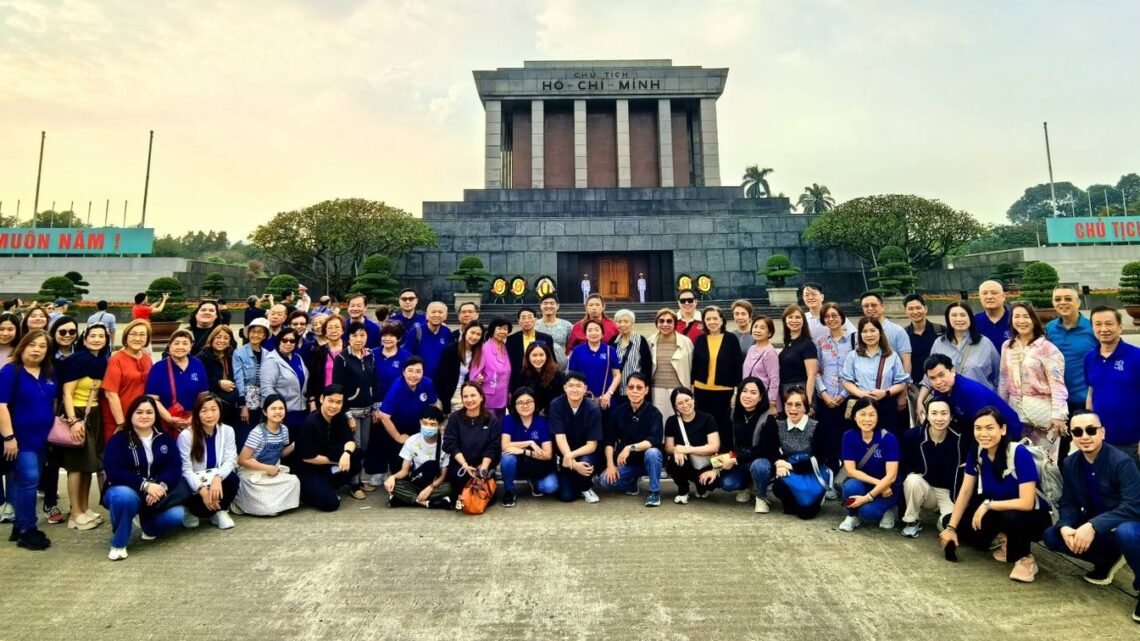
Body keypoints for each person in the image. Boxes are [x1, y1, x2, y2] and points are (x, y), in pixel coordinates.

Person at [1042, 410, 1140, 622]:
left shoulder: (1122, 462)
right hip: (1099, 528)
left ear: (1102, 432)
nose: (1085, 436)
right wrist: (1065, 525)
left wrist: (1093, 525)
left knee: (1128, 532)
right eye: (1078, 431)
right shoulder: (1070, 463)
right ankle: (1107, 560)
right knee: (1053, 535)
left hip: (1125, 523)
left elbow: (1134, 506)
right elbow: (1068, 501)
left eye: (1091, 430)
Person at [939, 407, 1053, 582]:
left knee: (1012, 517)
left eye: (989, 428)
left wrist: (987, 505)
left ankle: (1025, 559)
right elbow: (966, 490)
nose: (983, 433)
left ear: (1003, 429)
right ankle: (1003, 537)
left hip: (1031, 517)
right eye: (978, 428)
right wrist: (951, 529)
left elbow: (1027, 503)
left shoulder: (1018, 453)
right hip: (999, 510)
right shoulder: (977, 452)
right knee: (952, 522)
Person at [102, 396, 189, 561]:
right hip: (128, 490)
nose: (144, 416)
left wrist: (161, 486)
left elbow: (174, 468)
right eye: (139, 412)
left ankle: (148, 527)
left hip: (155, 495)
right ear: (131, 415)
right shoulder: (119, 440)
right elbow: (114, 470)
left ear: (156, 415)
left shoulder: (164, 439)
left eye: (149, 412)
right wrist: (145, 485)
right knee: (123, 497)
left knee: (177, 515)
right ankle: (119, 544)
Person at [0, 331, 58, 550]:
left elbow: (52, 402)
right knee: (29, 481)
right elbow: (1, 405)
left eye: (42, 346)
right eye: (32, 345)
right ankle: (27, 529)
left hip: (42, 439)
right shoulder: (10, 372)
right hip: (19, 439)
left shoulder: (50, 373)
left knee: (28, 481)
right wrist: (8, 437)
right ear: (22, 347)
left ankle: (19, 525)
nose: (37, 350)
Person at [57, 323, 111, 531]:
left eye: (102, 336)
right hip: (78, 414)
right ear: (85, 338)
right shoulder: (76, 361)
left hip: (94, 415)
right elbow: (67, 393)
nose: (97, 339)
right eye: (93, 335)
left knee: (89, 465)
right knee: (76, 466)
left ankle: (85, 508)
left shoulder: (101, 361)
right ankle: (75, 513)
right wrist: (73, 421)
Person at [916, 301, 1001, 421]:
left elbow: (999, 377)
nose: (959, 319)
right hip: (948, 407)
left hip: (980, 406)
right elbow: (929, 376)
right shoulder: (939, 343)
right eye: (954, 315)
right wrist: (920, 400)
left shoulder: (985, 343)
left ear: (970, 318)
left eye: (963, 315)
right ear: (948, 319)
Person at [754, 387, 830, 518]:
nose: (793, 409)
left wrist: (791, 466)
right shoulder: (777, 424)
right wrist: (778, 463)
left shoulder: (817, 426)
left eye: (798, 405)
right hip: (789, 471)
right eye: (789, 404)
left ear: (805, 408)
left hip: (811, 470)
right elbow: (766, 449)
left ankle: (815, 498)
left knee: (806, 514)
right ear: (784, 405)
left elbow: (820, 457)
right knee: (780, 490)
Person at [998, 302, 1068, 446]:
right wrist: (1001, 409)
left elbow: (1057, 385)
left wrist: (1059, 415)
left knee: (1042, 463)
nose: (1021, 321)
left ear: (1034, 320)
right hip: (1014, 412)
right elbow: (1004, 379)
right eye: (1017, 316)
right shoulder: (1007, 346)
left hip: (1042, 413)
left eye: (1026, 316)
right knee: (1017, 459)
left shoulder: (1047, 348)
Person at [900, 399, 970, 538]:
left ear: (951, 416)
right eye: (934, 413)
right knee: (912, 480)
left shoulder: (960, 439)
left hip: (949, 493)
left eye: (944, 413)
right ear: (926, 415)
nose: (939, 418)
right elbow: (905, 465)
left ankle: (941, 520)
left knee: (950, 526)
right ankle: (912, 520)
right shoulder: (914, 436)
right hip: (925, 488)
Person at [292, 385, 364, 511]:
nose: (334, 406)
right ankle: (307, 492)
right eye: (330, 401)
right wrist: (338, 461)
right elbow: (308, 458)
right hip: (310, 469)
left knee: (357, 456)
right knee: (331, 504)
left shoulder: (339, 417)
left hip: (327, 464)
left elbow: (350, 441)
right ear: (322, 399)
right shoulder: (311, 422)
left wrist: (346, 454)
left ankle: (327, 486)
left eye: (338, 402)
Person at [597, 374, 664, 507]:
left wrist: (629, 448)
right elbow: (609, 441)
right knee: (604, 482)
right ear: (626, 390)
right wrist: (610, 465)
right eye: (631, 387)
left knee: (653, 453)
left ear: (646, 390)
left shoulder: (654, 413)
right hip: (628, 463)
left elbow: (653, 440)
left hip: (648, 462)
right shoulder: (618, 412)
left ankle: (654, 492)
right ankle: (632, 480)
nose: (634, 391)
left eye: (639, 388)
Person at [1085, 307, 1140, 466]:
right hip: (1102, 441)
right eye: (1098, 324)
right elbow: (1091, 393)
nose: (1103, 329)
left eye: (1109, 324)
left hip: (1132, 442)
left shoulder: (1136, 356)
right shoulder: (1089, 358)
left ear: (1120, 327)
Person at [838, 398, 901, 532]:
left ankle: (889, 509)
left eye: (872, 414)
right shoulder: (848, 436)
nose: (867, 419)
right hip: (870, 483)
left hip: (889, 489)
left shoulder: (888, 438)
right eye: (862, 414)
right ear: (854, 416)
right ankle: (852, 516)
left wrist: (868, 497)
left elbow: (891, 476)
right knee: (850, 486)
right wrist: (879, 484)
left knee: (867, 512)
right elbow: (851, 471)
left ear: (878, 416)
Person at [177, 394, 239, 530]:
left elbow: (230, 460)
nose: (210, 415)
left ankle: (219, 511)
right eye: (204, 410)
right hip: (196, 486)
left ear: (220, 411)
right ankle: (191, 511)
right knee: (184, 488)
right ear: (197, 413)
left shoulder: (227, 431)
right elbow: (185, 469)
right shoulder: (186, 436)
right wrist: (202, 490)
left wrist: (218, 477)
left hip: (215, 482)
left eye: (214, 409)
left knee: (233, 479)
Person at [924, 354, 1023, 437]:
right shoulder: (940, 389)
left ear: (952, 371)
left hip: (1006, 431)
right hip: (978, 429)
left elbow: (983, 425)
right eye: (932, 378)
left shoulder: (969, 391)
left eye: (942, 375)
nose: (938, 382)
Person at [233, 395, 300, 517]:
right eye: (273, 408)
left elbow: (280, 454)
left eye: (281, 408)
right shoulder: (257, 432)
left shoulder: (284, 430)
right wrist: (267, 468)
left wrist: (295, 445)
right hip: (251, 474)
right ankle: (260, 504)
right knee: (267, 506)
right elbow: (242, 460)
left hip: (272, 472)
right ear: (265, 411)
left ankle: (273, 504)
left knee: (294, 481)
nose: (278, 412)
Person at [842, 316, 911, 436]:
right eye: (864, 331)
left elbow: (901, 382)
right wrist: (861, 394)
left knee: (885, 440)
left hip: (885, 404)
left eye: (873, 330)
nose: (869, 335)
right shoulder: (853, 356)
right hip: (861, 405)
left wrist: (885, 392)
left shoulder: (892, 356)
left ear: (880, 333)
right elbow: (847, 381)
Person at [41, 315, 80, 524]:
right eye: (62, 332)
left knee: (77, 459)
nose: (67, 336)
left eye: (72, 332)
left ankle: (78, 504)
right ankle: (50, 502)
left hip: (77, 412)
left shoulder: (81, 354)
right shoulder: (47, 356)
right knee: (52, 460)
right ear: (54, 333)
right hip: (52, 412)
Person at [334, 322, 383, 489]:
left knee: (365, 445)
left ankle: (360, 480)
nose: (359, 339)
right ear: (348, 337)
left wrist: (376, 407)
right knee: (356, 447)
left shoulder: (370, 355)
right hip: (352, 411)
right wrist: (347, 415)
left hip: (368, 410)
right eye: (355, 335)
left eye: (362, 335)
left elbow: (374, 383)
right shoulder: (342, 358)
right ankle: (353, 484)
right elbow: (339, 389)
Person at [719, 377, 779, 505]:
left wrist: (735, 460)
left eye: (753, 392)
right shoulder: (731, 413)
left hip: (758, 459)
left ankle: (761, 496)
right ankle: (747, 485)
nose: (747, 396)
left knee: (760, 467)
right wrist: (716, 467)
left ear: (761, 397)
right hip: (737, 458)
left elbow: (765, 451)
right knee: (726, 483)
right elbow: (725, 444)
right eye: (744, 391)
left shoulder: (768, 418)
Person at [442, 382, 502, 508]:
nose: (469, 400)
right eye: (465, 396)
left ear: (481, 397)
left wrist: (483, 469)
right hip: (461, 464)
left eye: (473, 395)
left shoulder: (492, 419)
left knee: (485, 496)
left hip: (483, 464)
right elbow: (449, 444)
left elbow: (493, 447)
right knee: (461, 491)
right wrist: (465, 465)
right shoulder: (454, 418)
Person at [377, 357, 439, 474]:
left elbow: (435, 405)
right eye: (410, 370)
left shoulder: (427, 383)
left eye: (418, 371)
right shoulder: (397, 386)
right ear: (403, 371)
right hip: (398, 427)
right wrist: (398, 437)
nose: (414, 375)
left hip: (421, 425)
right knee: (399, 460)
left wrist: (435, 426)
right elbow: (383, 416)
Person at [548, 372, 603, 503]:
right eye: (570, 385)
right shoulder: (556, 405)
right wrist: (572, 462)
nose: (574, 389)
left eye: (579, 386)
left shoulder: (593, 408)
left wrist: (570, 457)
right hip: (565, 452)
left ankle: (586, 487)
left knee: (585, 463)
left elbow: (592, 445)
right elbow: (560, 437)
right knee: (566, 496)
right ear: (564, 388)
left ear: (585, 389)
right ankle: (575, 482)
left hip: (586, 452)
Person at [499, 388, 560, 506]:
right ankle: (509, 491)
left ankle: (534, 481)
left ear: (535, 403)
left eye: (529, 402)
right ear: (514, 405)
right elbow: (505, 446)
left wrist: (524, 451)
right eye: (520, 402)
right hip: (517, 465)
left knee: (550, 487)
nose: (525, 405)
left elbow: (547, 454)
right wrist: (530, 443)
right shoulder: (509, 420)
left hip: (537, 464)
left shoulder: (542, 422)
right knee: (507, 458)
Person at [691, 305, 743, 444]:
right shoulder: (701, 339)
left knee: (723, 426)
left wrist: (736, 392)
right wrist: (692, 389)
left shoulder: (731, 339)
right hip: (701, 390)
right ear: (704, 322)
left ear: (722, 320)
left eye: (715, 318)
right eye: (708, 319)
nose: (712, 322)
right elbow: (695, 365)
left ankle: (723, 458)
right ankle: (705, 457)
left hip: (724, 391)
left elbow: (737, 366)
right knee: (704, 425)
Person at [383, 406, 452, 509]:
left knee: (449, 488)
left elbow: (442, 476)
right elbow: (404, 471)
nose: (428, 427)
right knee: (393, 485)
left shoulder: (445, 444)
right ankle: (427, 503)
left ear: (439, 426)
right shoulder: (412, 440)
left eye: (433, 424)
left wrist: (431, 487)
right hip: (416, 482)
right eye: (425, 423)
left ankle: (403, 499)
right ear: (420, 422)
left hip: (434, 484)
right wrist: (392, 477)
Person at [1045, 285, 1098, 417]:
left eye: (1068, 299)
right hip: (1059, 401)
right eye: (1057, 299)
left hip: (1087, 399)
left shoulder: (1092, 327)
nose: (1062, 302)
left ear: (1078, 302)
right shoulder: (1050, 328)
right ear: (1053, 303)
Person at [145, 329, 209, 436]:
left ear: (190, 347)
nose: (180, 347)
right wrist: (169, 419)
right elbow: (153, 399)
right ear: (170, 346)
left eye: (185, 343)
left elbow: (203, 396)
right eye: (176, 343)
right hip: (166, 422)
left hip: (193, 421)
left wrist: (193, 417)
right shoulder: (158, 367)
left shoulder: (197, 364)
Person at [814, 302, 853, 473]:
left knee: (847, 438)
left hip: (848, 397)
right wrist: (823, 394)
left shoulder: (854, 339)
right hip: (826, 399)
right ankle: (830, 476)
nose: (831, 319)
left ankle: (846, 476)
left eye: (834, 315)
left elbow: (857, 369)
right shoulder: (821, 342)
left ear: (841, 317)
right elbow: (816, 370)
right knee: (828, 438)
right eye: (827, 317)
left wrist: (844, 394)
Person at [664, 387, 720, 504]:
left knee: (710, 483)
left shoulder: (708, 419)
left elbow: (714, 447)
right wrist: (677, 451)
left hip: (706, 463)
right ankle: (683, 490)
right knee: (674, 461)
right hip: (686, 463)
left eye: (687, 400)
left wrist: (687, 449)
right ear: (675, 407)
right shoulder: (672, 421)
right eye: (680, 403)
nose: (685, 405)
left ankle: (701, 488)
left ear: (693, 399)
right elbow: (668, 448)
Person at [102, 320, 153, 443]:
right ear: (126, 337)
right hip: (119, 420)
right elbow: (110, 394)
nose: (137, 338)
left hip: (142, 418)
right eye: (133, 334)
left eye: (142, 335)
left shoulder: (147, 359)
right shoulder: (116, 360)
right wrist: (122, 423)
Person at [647, 309, 694, 419]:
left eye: (669, 321)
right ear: (657, 323)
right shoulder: (650, 341)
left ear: (675, 324)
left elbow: (692, 366)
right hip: (657, 389)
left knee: (680, 419)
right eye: (661, 321)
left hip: (679, 388)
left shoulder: (686, 342)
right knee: (659, 420)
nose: (665, 324)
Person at [258, 328, 309, 428]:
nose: (288, 343)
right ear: (279, 341)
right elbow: (267, 388)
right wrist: (278, 410)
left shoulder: (297, 358)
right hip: (281, 415)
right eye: (284, 340)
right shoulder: (271, 360)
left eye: (292, 341)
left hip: (301, 411)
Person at [568, 319, 622, 411]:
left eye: (597, 330)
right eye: (590, 330)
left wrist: (609, 393)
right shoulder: (578, 350)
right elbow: (572, 375)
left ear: (602, 334)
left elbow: (617, 375)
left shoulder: (609, 350)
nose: (593, 333)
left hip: (605, 399)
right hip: (583, 398)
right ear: (585, 334)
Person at [904, 294, 942, 424]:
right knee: (919, 422)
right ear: (906, 311)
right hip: (915, 388)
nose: (915, 312)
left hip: (939, 387)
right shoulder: (903, 335)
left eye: (918, 308)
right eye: (911, 309)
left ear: (925, 309)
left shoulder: (940, 331)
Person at [232, 317, 270, 445]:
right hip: (246, 400)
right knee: (244, 435)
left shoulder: (267, 354)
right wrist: (243, 405)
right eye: (253, 331)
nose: (256, 335)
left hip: (262, 400)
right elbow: (239, 379)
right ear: (248, 333)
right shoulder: (239, 353)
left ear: (264, 335)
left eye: (260, 332)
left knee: (259, 435)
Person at [196, 325, 241, 429]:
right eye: (218, 337)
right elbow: (199, 382)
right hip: (213, 404)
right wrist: (218, 383)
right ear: (212, 338)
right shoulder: (201, 357)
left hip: (231, 404)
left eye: (226, 338)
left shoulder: (231, 356)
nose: (222, 340)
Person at [436, 321, 483, 413]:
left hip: (469, 394)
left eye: (478, 334)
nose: (474, 337)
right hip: (452, 394)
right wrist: (444, 401)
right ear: (465, 332)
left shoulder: (479, 352)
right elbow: (441, 377)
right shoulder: (451, 349)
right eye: (472, 332)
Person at [778, 305, 818, 413]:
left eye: (798, 317)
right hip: (786, 391)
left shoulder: (807, 344)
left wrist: (808, 401)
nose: (794, 320)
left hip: (801, 391)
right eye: (790, 317)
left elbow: (811, 375)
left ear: (803, 321)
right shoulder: (788, 343)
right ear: (785, 320)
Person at [469, 317, 512, 415]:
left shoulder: (505, 347)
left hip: (504, 399)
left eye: (505, 329)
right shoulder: (484, 349)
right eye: (499, 328)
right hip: (488, 401)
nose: (502, 331)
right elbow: (474, 375)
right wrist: (479, 379)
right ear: (493, 329)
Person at [610, 309, 653, 407]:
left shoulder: (640, 340)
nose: (622, 324)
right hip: (617, 391)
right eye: (619, 321)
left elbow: (647, 366)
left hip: (636, 391)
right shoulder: (613, 341)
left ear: (632, 323)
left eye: (626, 321)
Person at [506, 307, 554, 391]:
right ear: (519, 321)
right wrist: (511, 389)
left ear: (535, 320)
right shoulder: (511, 339)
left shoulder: (546, 338)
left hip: (543, 381)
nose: (527, 321)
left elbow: (552, 361)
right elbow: (511, 365)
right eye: (523, 318)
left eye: (530, 317)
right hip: (520, 382)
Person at [516, 342, 565, 416]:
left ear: (547, 356)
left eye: (541, 355)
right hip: (531, 415)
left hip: (553, 415)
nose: (538, 359)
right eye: (534, 355)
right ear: (528, 357)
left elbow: (561, 399)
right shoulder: (524, 374)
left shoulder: (557, 375)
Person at [303, 314, 344, 401]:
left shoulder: (349, 350)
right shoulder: (318, 351)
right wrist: (312, 400)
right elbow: (312, 378)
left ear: (343, 330)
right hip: (324, 398)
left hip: (346, 398)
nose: (333, 330)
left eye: (337, 327)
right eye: (329, 328)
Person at [742, 316, 780, 413]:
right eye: (755, 327)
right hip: (748, 397)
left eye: (762, 328)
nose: (757, 330)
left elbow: (774, 378)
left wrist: (771, 401)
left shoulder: (770, 352)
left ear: (770, 333)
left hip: (762, 399)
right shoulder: (751, 349)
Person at [372, 323, 411, 401]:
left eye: (391, 336)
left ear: (399, 338)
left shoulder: (407, 356)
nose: (387, 339)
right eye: (384, 335)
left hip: (398, 400)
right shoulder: (372, 353)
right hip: (375, 401)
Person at [414, 301, 451, 380]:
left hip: (441, 381)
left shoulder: (447, 332)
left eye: (440, 312)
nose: (436, 315)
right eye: (433, 312)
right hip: (419, 380)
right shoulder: (416, 332)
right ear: (426, 315)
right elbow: (408, 356)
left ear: (446, 316)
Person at [537, 294, 573, 368]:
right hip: (538, 366)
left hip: (560, 368)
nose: (549, 306)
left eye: (552, 303)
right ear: (540, 305)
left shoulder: (567, 325)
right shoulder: (534, 325)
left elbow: (570, 347)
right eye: (545, 303)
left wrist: (562, 357)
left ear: (557, 306)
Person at [975, 280, 1011, 352]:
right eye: (984, 293)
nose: (989, 297)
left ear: (1003, 296)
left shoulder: (1015, 319)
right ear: (980, 298)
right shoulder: (973, 321)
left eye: (994, 293)